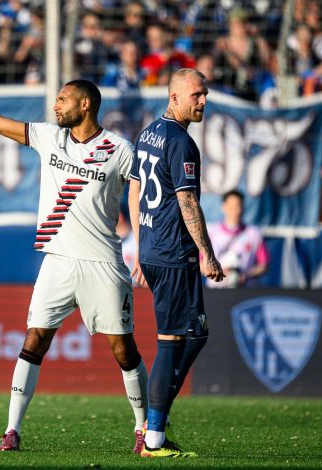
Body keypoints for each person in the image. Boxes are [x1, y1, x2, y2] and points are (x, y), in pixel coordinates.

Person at [0, 67, 149, 454]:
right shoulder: (49, 137)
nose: (55, 106)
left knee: (123, 349)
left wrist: (144, 245)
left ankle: (143, 429)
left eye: (62, 99)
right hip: (57, 260)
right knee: (34, 339)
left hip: (103, 262)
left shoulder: (120, 150)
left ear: (85, 105)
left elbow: (140, 196)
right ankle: (12, 430)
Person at [128, 68, 225, 458]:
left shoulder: (149, 132)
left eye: (205, 95)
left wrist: (139, 245)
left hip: (154, 250)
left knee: (197, 332)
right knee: (170, 340)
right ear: (174, 97)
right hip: (172, 254)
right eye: (196, 95)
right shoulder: (182, 144)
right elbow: (188, 203)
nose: (202, 101)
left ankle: (158, 414)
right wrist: (207, 253)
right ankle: (153, 436)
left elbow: (134, 190)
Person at [206, 190, 268, 288]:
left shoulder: (254, 233)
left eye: (240, 206)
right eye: (233, 207)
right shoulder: (211, 232)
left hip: (244, 291)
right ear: (224, 207)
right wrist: (216, 272)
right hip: (216, 290)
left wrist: (245, 275)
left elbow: (264, 265)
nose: (237, 210)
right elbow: (201, 263)